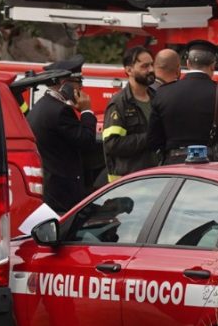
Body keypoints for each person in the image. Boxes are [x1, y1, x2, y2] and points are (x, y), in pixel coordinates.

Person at [148, 40, 218, 163]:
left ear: (187, 63)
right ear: (213, 65)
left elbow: (152, 141)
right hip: (210, 169)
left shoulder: (163, 92)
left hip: (173, 167)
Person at [27, 57, 101, 213]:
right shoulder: (60, 111)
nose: (81, 86)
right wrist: (87, 110)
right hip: (62, 191)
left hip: (52, 188)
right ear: (65, 84)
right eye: (78, 81)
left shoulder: (43, 105)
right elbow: (87, 140)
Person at [102, 45, 161, 181]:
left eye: (152, 65)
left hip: (155, 177)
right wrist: (149, 138)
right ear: (129, 70)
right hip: (128, 183)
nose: (151, 70)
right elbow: (112, 144)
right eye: (145, 66)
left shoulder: (156, 98)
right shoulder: (119, 103)